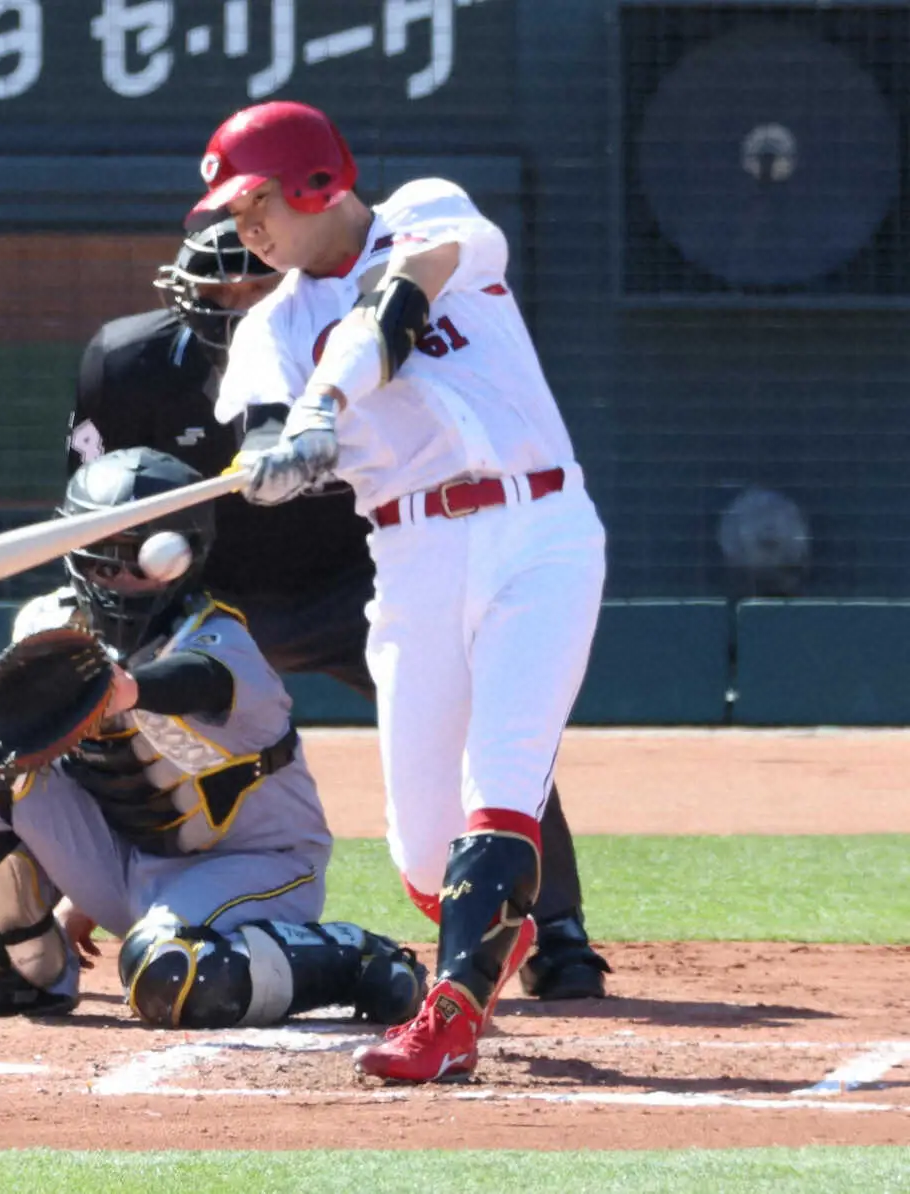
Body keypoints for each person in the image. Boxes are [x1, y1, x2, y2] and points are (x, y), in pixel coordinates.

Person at [68, 219, 611, 1005]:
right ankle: (57, 913)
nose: (238, 300)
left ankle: (553, 930)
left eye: (255, 283)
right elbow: (94, 523)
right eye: (217, 289)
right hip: (212, 598)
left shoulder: (361, 336)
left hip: (360, 582)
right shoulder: (128, 364)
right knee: (100, 697)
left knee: (491, 734)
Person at [185, 100, 608, 1082]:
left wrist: (325, 407)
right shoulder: (269, 332)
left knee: (501, 780)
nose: (244, 228)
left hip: (537, 529)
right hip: (412, 559)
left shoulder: (429, 213)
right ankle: (477, 933)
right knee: (425, 851)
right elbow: (257, 430)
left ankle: (448, 1012)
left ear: (317, 183)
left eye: (257, 203)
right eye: (233, 213)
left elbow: (395, 304)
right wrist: (272, 458)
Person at [0, 447, 426, 1031]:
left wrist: (123, 690)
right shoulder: (46, 628)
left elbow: (196, 681)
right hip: (127, 867)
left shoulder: (221, 640)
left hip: (259, 867)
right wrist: (75, 893)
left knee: (170, 978)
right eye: (108, 564)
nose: (126, 582)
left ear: (187, 560)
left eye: (146, 565)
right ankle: (25, 970)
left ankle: (357, 957)